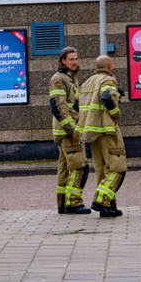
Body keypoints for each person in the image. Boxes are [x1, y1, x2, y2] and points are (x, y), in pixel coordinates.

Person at [78, 55, 127, 218]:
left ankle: (109, 206)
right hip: (107, 129)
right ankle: (102, 200)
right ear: (109, 65)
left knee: (102, 169)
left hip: (92, 132)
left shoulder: (87, 82)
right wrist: (116, 113)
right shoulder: (107, 80)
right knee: (117, 167)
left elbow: (75, 104)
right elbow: (106, 96)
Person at [50, 47, 90, 214]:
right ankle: (73, 202)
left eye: (76, 59)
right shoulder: (59, 79)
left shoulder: (71, 78)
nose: (75, 62)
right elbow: (58, 106)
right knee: (79, 166)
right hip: (68, 131)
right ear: (63, 61)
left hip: (67, 131)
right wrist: (71, 128)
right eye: (71, 59)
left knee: (66, 168)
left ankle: (63, 204)